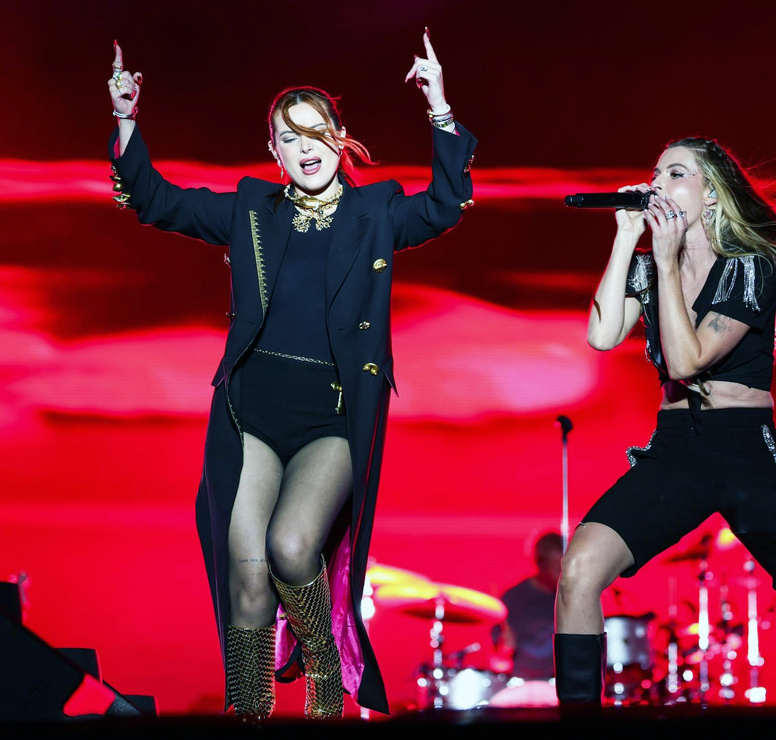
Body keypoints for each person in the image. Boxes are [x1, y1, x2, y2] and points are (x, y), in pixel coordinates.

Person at [106, 30, 476, 722]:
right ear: (273, 151)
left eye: (315, 133)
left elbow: (444, 205)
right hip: (251, 414)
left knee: (291, 545)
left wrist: (440, 109)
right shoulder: (251, 209)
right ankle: (247, 712)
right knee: (247, 577)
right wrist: (127, 119)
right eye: (288, 137)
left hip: (331, 417)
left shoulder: (376, 213)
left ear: (340, 138)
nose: (305, 148)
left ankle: (325, 674)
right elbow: (156, 200)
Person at [554, 137, 776, 706]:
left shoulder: (750, 268)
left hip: (743, 446)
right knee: (579, 570)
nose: (656, 184)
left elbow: (686, 360)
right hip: (677, 447)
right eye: (655, 173)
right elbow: (602, 335)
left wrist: (668, 260)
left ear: (711, 195)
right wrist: (626, 239)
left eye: (675, 173)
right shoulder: (650, 265)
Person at [492, 531, 562, 681]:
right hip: (520, 681)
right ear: (542, 565)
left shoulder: (570, 598)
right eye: (557, 569)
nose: (562, 575)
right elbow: (497, 659)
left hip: (560, 681)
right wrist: (505, 648)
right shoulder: (513, 598)